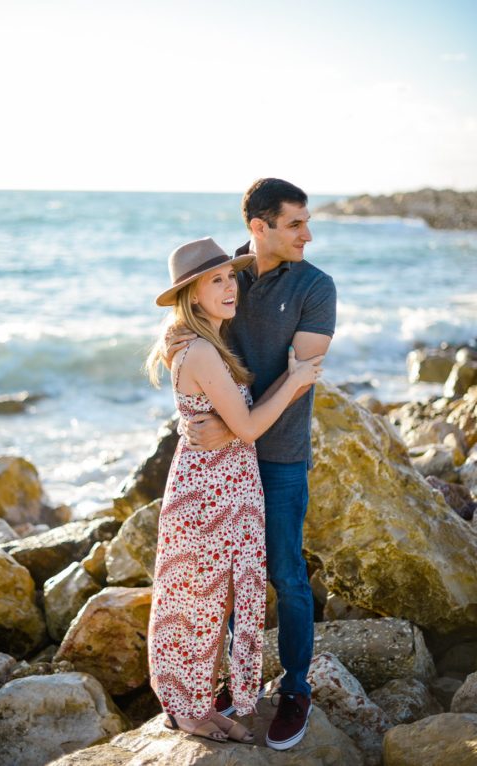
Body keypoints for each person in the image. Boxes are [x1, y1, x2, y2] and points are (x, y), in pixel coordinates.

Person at [165, 179, 336, 750]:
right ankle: (237, 686)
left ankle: (295, 687)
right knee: (230, 581)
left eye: (306, 223)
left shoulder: (317, 286)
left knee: (286, 575)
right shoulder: (224, 277)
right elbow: (190, 347)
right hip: (221, 463)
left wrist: (230, 420)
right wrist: (196, 420)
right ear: (258, 228)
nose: (307, 234)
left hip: (279, 453)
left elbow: (302, 372)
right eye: (294, 224)